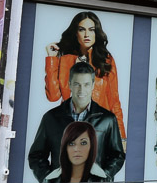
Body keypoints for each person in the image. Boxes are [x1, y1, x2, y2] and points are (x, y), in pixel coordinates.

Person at [27, 62, 125, 183]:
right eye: (77, 84)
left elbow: (118, 154)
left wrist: (103, 177)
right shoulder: (52, 118)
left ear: (93, 85)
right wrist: (51, 181)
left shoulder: (107, 120)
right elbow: (36, 155)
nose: (82, 90)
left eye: (86, 84)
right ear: (70, 85)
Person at [44, 10, 126, 140]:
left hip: (98, 128)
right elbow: (53, 96)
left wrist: (121, 136)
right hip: (70, 128)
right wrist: (52, 60)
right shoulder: (65, 60)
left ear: (96, 33)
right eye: (82, 30)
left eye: (92, 30)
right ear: (75, 33)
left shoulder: (105, 60)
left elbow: (114, 100)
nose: (87, 34)